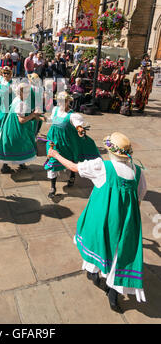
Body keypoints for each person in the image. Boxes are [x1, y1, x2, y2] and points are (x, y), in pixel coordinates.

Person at [48, 132, 147, 312]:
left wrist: (55, 154)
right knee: (119, 254)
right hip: (127, 222)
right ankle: (113, 295)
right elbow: (139, 198)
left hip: (102, 217)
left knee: (97, 243)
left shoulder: (102, 166)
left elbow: (75, 167)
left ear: (110, 150)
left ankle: (94, 274)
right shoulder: (138, 172)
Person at [45, 92, 100, 198]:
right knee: (52, 162)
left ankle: (72, 175)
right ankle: (53, 187)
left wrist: (80, 130)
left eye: (64, 101)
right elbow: (52, 120)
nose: (61, 103)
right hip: (53, 141)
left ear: (68, 101)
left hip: (66, 143)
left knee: (70, 160)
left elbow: (78, 126)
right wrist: (41, 118)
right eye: (59, 100)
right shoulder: (55, 109)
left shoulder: (72, 116)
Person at [0, 83, 43, 173]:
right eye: (26, 91)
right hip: (17, 128)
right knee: (17, 145)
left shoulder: (16, 99)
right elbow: (21, 120)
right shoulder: (22, 104)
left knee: (14, 145)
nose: (28, 93)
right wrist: (33, 114)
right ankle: (6, 166)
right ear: (21, 92)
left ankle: (20, 163)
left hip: (10, 126)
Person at [0, 66, 14, 131]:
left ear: (10, 74)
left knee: (5, 116)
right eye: (4, 73)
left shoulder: (12, 83)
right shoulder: (0, 80)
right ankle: (1, 130)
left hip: (7, 103)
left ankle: (4, 131)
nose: (6, 75)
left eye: (8, 73)